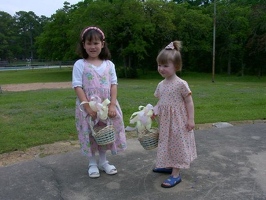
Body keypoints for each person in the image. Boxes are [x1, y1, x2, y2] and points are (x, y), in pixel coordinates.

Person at [72, 26, 127, 178]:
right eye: (89, 43)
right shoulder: (80, 64)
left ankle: (103, 162)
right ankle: (92, 163)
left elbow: (113, 84)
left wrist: (112, 104)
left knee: (104, 133)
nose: (93, 46)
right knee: (90, 133)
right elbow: (77, 85)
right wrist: (87, 106)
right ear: (84, 45)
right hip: (87, 107)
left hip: (106, 105)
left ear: (103, 44)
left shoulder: (109, 64)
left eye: (96, 43)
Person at [152, 41, 197, 188]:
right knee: (166, 143)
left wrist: (191, 119)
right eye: (159, 65)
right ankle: (168, 165)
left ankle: (175, 174)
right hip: (166, 123)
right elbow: (161, 102)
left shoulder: (181, 84)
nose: (161, 68)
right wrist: (155, 110)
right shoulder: (161, 85)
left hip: (179, 122)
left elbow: (189, 102)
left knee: (177, 144)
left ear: (176, 66)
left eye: (165, 65)